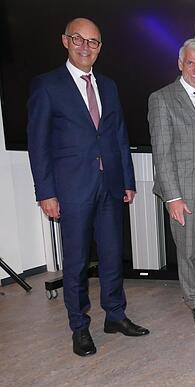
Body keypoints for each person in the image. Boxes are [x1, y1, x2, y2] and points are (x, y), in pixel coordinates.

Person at [27, 18, 149, 357]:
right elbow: (39, 146)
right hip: (71, 189)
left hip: (109, 185)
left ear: (100, 48)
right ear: (65, 40)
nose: (85, 47)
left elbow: (118, 135)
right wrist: (46, 193)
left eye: (93, 42)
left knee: (112, 257)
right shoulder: (47, 85)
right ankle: (79, 327)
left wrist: (127, 180)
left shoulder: (108, 86)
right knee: (78, 262)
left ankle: (115, 315)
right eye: (79, 39)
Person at [148, 39, 195, 328]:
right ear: (180, 64)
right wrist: (172, 197)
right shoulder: (162, 99)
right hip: (182, 190)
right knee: (188, 249)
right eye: (190, 63)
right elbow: (162, 152)